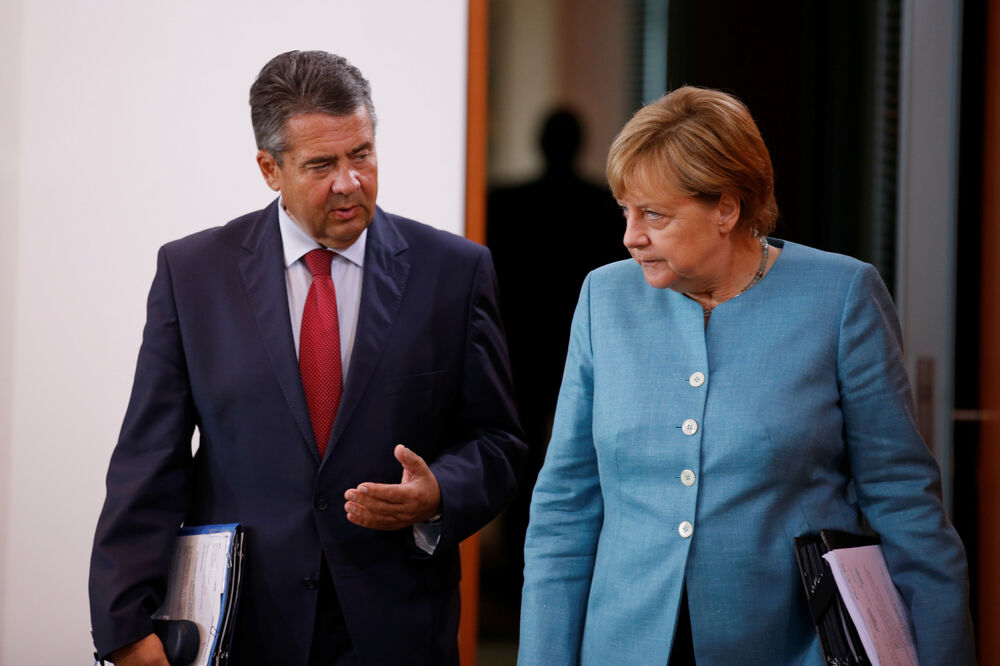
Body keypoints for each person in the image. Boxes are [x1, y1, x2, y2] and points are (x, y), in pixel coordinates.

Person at [89, 50, 526, 666]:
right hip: (243, 626)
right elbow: (148, 458)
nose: (349, 182)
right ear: (270, 169)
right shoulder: (193, 275)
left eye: (361, 155)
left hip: (397, 626)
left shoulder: (454, 271)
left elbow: (498, 440)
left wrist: (438, 495)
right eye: (322, 164)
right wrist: (125, 627)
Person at [518, 87, 975, 665]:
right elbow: (564, 508)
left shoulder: (840, 296)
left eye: (654, 214)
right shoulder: (603, 298)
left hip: (791, 646)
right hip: (624, 645)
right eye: (625, 211)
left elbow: (903, 501)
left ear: (726, 209)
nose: (631, 235)